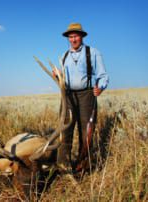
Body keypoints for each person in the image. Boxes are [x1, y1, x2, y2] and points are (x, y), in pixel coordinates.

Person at [55, 23, 109, 173]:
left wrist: (100, 87)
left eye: (76, 36)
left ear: (81, 36)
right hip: (68, 95)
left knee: (86, 132)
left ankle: (83, 166)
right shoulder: (64, 56)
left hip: (87, 95)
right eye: (70, 37)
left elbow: (103, 75)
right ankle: (63, 166)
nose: (73, 39)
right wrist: (58, 77)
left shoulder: (93, 52)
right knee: (64, 130)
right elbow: (63, 78)